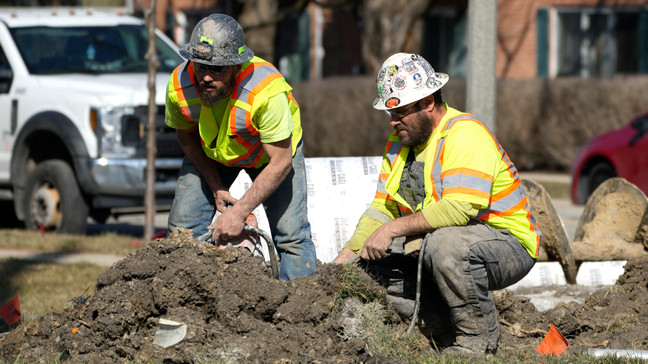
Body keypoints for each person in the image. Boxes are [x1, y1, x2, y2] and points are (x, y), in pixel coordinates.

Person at [332, 53, 541, 354]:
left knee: (446, 246)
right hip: (442, 245)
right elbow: (383, 208)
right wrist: (349, 254)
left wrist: (391, 230)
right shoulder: (398, 144)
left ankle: (477, 344)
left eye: (400, 111)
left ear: (428, 102)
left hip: (507, 245)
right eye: (390, 113)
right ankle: (441, 322)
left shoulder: (464, 134)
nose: (393, 121)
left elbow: (459, 208)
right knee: (369, 269)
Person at [165, 14, 317, 281]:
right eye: (200, 66)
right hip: (212, 154)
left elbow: (280, 163)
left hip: (269, 160)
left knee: (292, 237)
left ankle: (299, 312)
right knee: (181, 232)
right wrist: (215, 186)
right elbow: (187, 137)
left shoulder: (266, 92)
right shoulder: (179, 85)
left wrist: (240, 211)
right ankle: (178, 306)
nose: (206, 77)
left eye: (218, 69)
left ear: (237, 65)